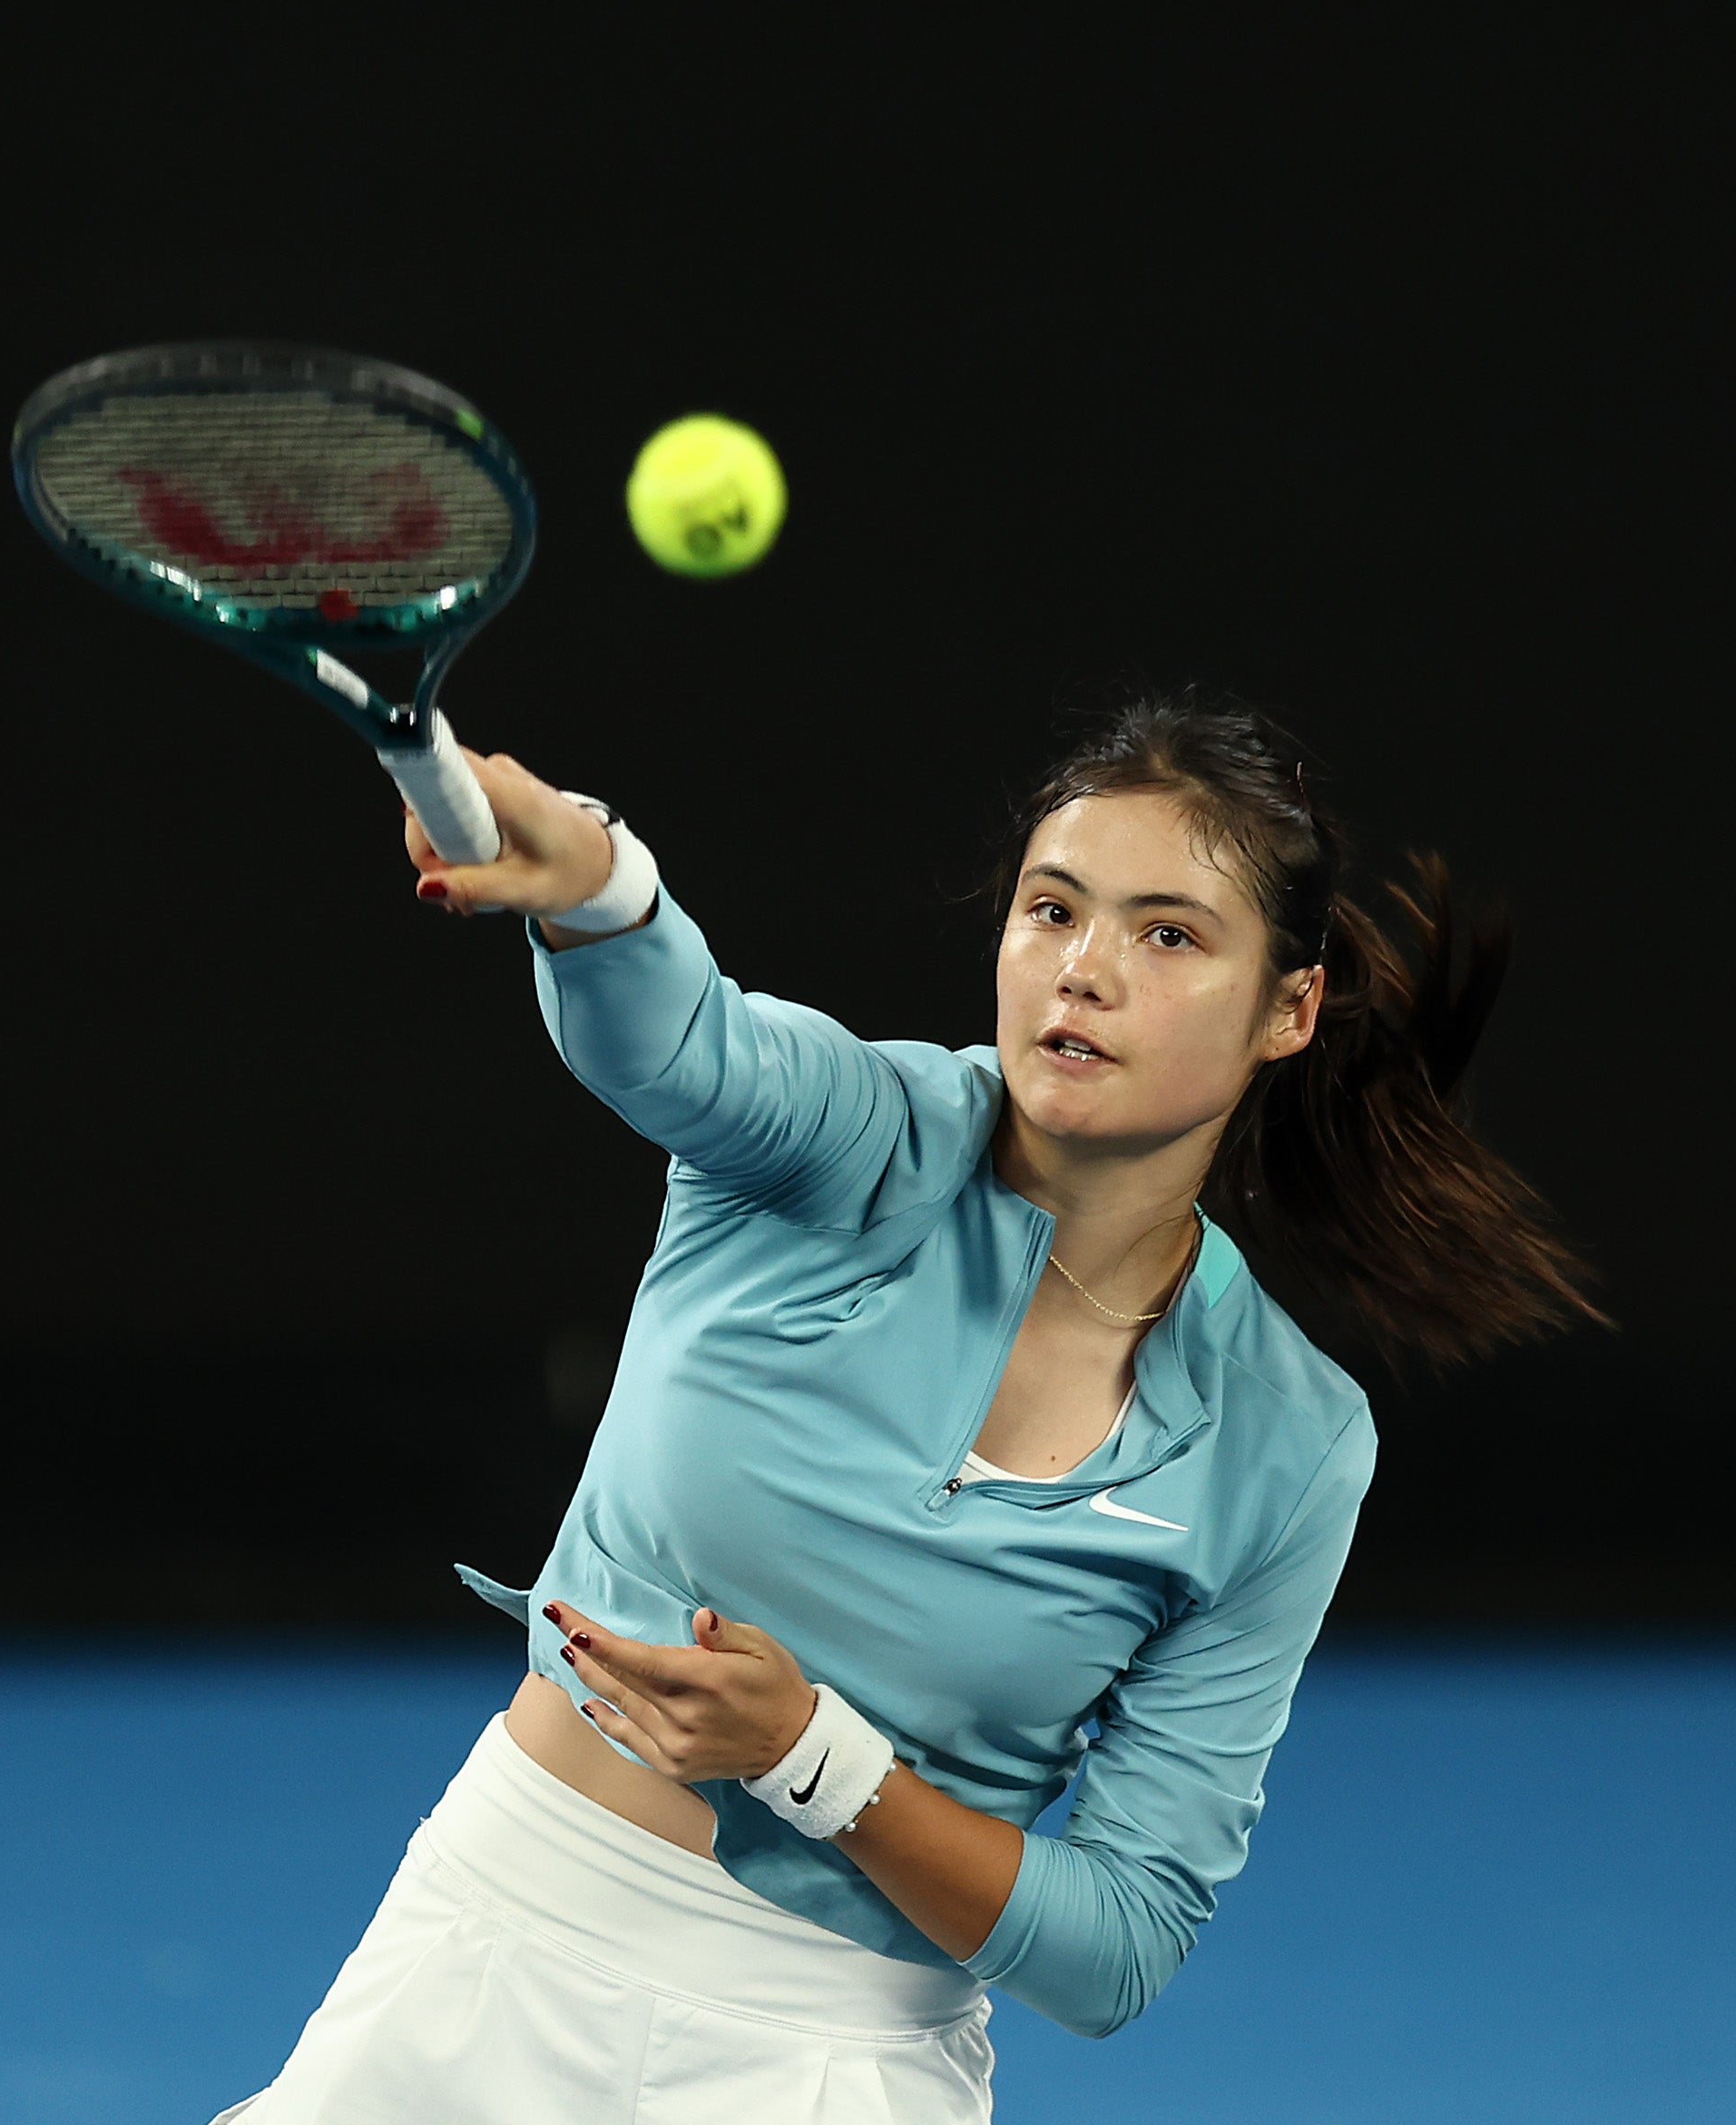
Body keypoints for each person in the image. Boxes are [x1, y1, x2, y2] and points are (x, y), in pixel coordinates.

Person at [217, 694, 1594, 2124]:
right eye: (1051, 911)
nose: (1084, 971)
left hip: (836, 2064)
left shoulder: (1290, 1443)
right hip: (489, 1964)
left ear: (1289, 1009)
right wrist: (601, 890)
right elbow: (678, 1041)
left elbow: (1120, 1945)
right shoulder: (843, 1135)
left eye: (1167, 934)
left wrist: (812, 1758)